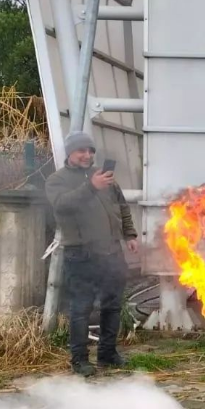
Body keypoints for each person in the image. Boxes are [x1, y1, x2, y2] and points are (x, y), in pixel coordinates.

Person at [45, 131, 138, 377]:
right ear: (70, 153)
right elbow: (62, 205)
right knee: (81, 308)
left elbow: (122, 206)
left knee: (113, 305)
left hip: (111, 251)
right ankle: (79, 360)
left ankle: (107, 353)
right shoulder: (57, 180)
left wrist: (130, 235)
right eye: (81, 151)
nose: (87, 155)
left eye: (90, 151)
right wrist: (90, 186)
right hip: (81, 254)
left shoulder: (105, 178)